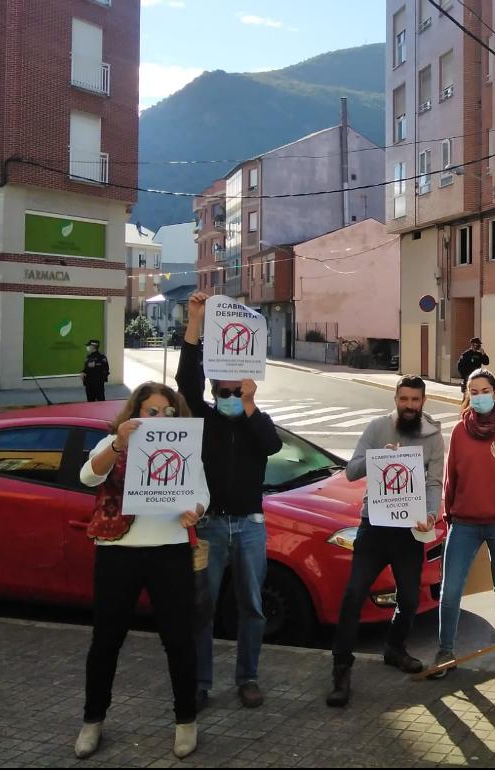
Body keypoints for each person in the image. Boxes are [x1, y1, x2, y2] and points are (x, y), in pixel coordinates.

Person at [74, 382, 202, 760]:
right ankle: (92, 720)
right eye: (152, 411)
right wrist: (118, 445)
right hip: (119, 552)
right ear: (135, 412)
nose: (160, 418)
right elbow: (88, 477)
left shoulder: (184, 444)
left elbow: (201, 491)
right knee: (106, 641)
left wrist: (196, 508)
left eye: (168, 412)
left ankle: (186, 722)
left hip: (169, 548)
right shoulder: (116, 440)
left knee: (178, 640)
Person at [178, 291, 283, 712]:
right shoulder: (202, 420)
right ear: (213, 390)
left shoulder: (258, 420)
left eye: (235, 390)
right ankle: (201, 683)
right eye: (223, 390)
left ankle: (248, 679)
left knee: (252, 608)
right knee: (201, 608)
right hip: (210, 528)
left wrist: (250, 404)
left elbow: (272, 446)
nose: (229, 396)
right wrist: (195, 320)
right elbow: (185, 379)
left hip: (251, 526)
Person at [327, 376, 445, 707]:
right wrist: (379, 456)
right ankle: (341, 668)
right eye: (404, 399)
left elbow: (435, 481)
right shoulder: (377, 428)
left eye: (415, 400)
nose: (409, 405)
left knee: (409, 599)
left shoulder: (434, 437)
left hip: (409, 530)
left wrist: (431, 514)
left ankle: (394, 648)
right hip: (374, 527)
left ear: (424, 402)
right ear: (395, 398)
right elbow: (351, 472)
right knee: (353, 595)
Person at [431, 368, 495, 681]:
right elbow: (451, 478)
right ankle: (445, 651)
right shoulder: (461, 430)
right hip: (464, 522)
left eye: (484, 390)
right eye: (473, 391)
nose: (479, 397)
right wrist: (448, 517)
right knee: (450, 592)